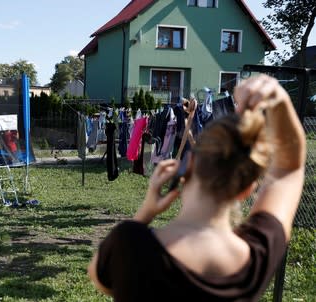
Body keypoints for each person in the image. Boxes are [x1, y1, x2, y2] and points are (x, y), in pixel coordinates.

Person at [88, 75, 306, 301]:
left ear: (188, 165)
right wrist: (278, 99)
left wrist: (146, 212)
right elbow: (289, 170)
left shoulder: (130, 244)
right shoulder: (255, 258)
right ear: (248, 189)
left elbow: (99, 276)